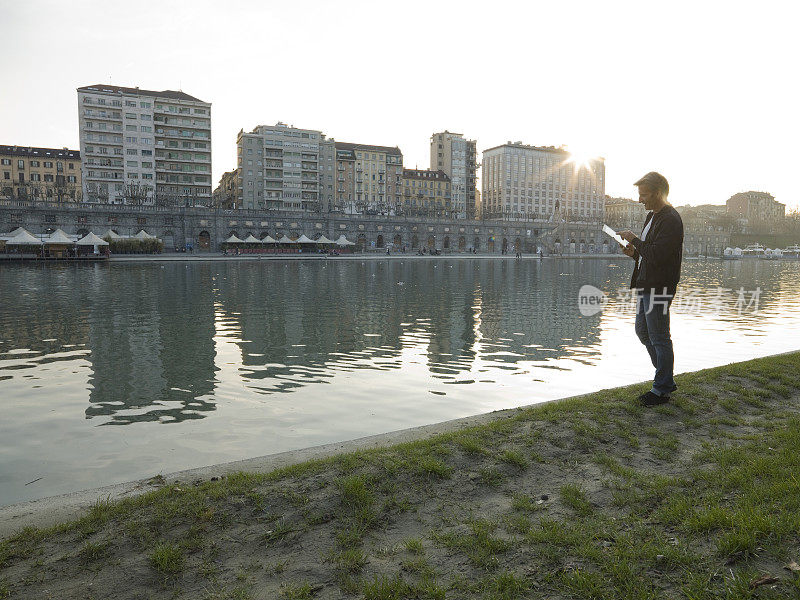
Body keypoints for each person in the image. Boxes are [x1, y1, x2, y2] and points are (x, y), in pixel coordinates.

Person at [619, 172, 684, 407]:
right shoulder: (652, 217)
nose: (640, 200)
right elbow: (648, 255)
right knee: (643, 332)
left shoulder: (671, 220)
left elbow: (657, 255)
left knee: (658, 336)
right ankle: (665, 378)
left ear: (658, 193)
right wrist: (634, 253)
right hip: (646, 284)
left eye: (643, 195)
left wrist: (635, 240)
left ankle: (661, 388)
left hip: (660, 286)